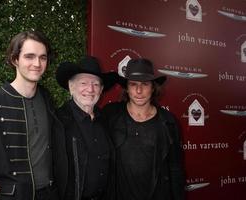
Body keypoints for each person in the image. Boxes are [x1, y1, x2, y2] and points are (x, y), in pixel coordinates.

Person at [0, 30, 60, 200]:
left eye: (43, 57)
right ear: (15, 59)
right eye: (29, 56)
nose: (37, 63)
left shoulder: (46, 98)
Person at [102, 58, 185, 200]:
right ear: (126, 88)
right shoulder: (110, 115)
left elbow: (175, 169)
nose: (139, 91)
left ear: (153, 87)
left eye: (145, 84)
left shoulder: (168, 122)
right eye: (133, 84)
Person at [52, 56, 116, 200]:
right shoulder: (57, 122)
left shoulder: (106, 120)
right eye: (83, 83)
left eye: (96, 84)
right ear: (71, 86)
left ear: (101, 89)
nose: (90, 89)